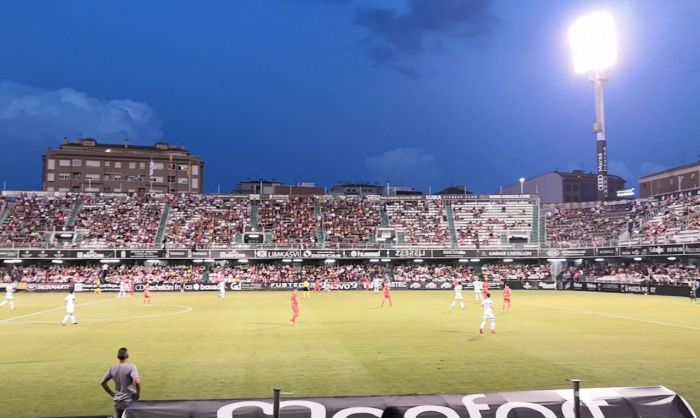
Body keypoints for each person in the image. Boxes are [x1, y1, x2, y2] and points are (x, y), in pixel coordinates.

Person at [100, 347, 141, 418]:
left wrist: (111, 393)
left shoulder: (112, 368)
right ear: (127, 356)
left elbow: (103, 382)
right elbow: (137, 382)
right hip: (129, 401)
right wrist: (137, 394)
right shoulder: (131, 367)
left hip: (117, 402)